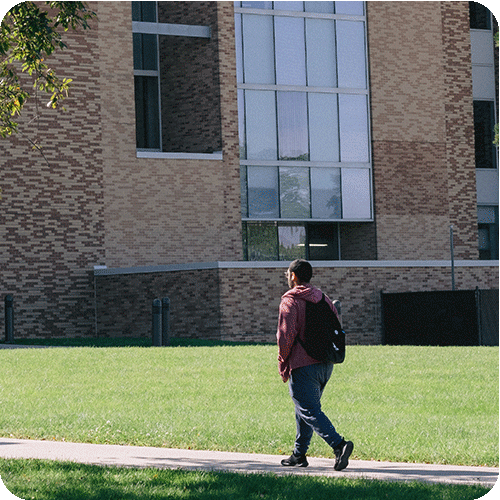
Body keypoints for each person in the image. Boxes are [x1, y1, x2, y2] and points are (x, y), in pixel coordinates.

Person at [276, 259, 353, 470]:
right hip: (326, 363)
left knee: (308, 408)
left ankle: (339, 445)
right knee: (304, 408)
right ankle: (299, 454)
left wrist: (283, 363)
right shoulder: (323, 299)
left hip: (303, 363)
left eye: (288, 274)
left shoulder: (290, 301)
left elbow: (286, 336)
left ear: (293, 276)